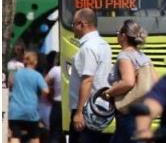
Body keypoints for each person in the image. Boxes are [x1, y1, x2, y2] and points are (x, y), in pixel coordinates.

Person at [103, 20, 156, 143]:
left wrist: (109, 93)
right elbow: (156, 82)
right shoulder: (144, 57)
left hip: (128, 113)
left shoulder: (124, 56)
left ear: (123, 36)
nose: (116, 35)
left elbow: (128, 82)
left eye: (117, 32)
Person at [69, 8, 113, 143]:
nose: (73, 28)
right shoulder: (104, 44)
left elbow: (87, 80)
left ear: (82, 24)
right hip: (98, 107)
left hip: (86, 110)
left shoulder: (88, 47)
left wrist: (79, 113)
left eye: (74, 24)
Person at [8, 51, 50, 143]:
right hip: (31, 111)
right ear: (35, 62)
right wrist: (40, 97)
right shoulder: (37, 75)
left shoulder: (16, 73)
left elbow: (10, 84)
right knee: (34, 137)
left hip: (15, 111)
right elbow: (46, 91)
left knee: (15, 136)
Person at [45, 53, 64, 143]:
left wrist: (51, 90)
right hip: (72, 104)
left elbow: (45, 83)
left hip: (57, 103)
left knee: (55, 133)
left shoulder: (55, 70)